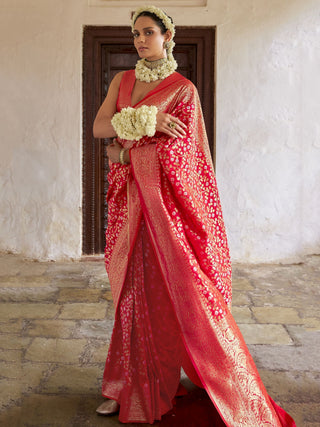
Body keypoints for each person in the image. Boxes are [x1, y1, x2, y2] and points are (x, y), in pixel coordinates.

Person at [93, 5, 296, 426]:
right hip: (130, 209)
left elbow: (184, 156)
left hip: (166, 213)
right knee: (130, 297)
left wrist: (127, 149)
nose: (140, 40)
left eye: (149, 32)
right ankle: (125, 385)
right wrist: (148, 121)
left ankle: (171, 380)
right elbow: (99, 128)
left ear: (168, 37)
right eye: (135, 34)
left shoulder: (183, 90)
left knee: (166, 294)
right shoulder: (123, 80)